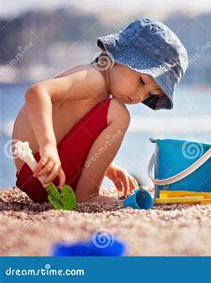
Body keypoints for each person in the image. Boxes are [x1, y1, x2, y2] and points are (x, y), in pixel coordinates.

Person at [13, 18, 188, 204]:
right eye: (142, 82)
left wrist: (108, 168)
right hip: (40, 169)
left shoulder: (100, 91)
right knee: (118, 113)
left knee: (112, 111)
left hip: (44, 173)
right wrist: (47, 146)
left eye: (150, 94)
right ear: (120, 57)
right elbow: (37, 92)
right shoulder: (94, 79)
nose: (140, 95)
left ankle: (87, 191)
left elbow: (72, 134)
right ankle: (88, 196)